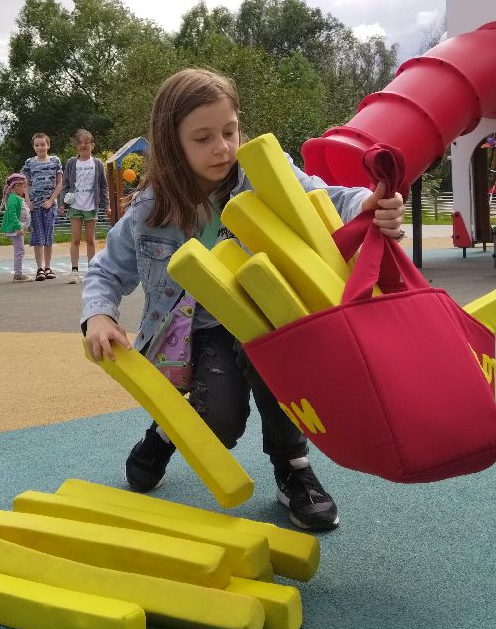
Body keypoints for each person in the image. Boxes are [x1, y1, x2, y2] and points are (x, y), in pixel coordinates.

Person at [81, 68, 405, 531]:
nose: (223, 148)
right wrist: (98, 314)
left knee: (285, 381)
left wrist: (364, 204)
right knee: (220, 424)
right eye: (203, 138)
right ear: (172, 144)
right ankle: (168, 427)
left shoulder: (260, 173)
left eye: (230, 131)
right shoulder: (150, 209)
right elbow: (107, 270)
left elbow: (321, 196)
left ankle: (293, 468)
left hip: (267, 315)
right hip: (201, 329)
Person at [59, 128, 110, 284]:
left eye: (86, 143)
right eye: (80, 143)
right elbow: (65, 184)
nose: (83, 145)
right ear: (77, 146)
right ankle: (74, 271)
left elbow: (103, 186)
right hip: (75, 205)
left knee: (91, 240)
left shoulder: (98, 164)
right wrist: (62, 203)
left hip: (91, 206)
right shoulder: (71, 163)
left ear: (92, 145)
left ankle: (91, 270)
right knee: (75, 239)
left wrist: (106, 205)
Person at [21, 133, 63, 281]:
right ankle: (40, 268)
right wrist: (27, 200)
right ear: (33, 146)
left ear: (48, 145)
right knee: (37, 236)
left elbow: (59, 183)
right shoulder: (29, 162)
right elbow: (25, 183)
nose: (40, 147)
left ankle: (48, 267)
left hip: (49, 205)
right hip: (35, 205)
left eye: (43, 144)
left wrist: (51, 201)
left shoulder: (55, 161)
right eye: (37, 145)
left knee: (48, 236)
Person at [0, 173, 32, 281]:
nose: (25, 190)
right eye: (24, 187)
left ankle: (18, 273)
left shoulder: (16, 198)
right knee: (19, 251)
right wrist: (18, 227)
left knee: (20, 250)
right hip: (15, 229)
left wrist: (25, 226)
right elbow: (12, 214)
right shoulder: (14, 198)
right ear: (17, 186)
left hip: (17, 229)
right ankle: (18, 274)